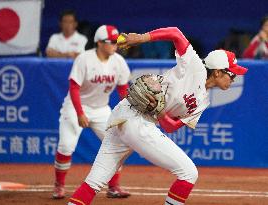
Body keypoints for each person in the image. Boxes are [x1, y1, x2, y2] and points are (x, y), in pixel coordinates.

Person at [67, 27, 248, 205]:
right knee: (189, 173)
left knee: (94, 182)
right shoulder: (195, 65)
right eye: (232, 74)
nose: (234, 79)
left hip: (138, 122)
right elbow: (175, 33)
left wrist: (160, 113)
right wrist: (140, 38)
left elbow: (171, 126)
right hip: (129, 117)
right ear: (217, 72)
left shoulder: (203, 102)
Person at [52, 25, 131, 199]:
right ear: (99, 43)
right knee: (66, 146)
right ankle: (59, 186)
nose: (114, 45)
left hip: (102, 109)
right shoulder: (84, 59)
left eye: (116, 42)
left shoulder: (118, 61)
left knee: (117, 145)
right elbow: (74, 88)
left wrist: (127, 112)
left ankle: (114, 187)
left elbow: (123, 90)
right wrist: (80, 113)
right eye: (111, 42)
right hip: (75, 106)